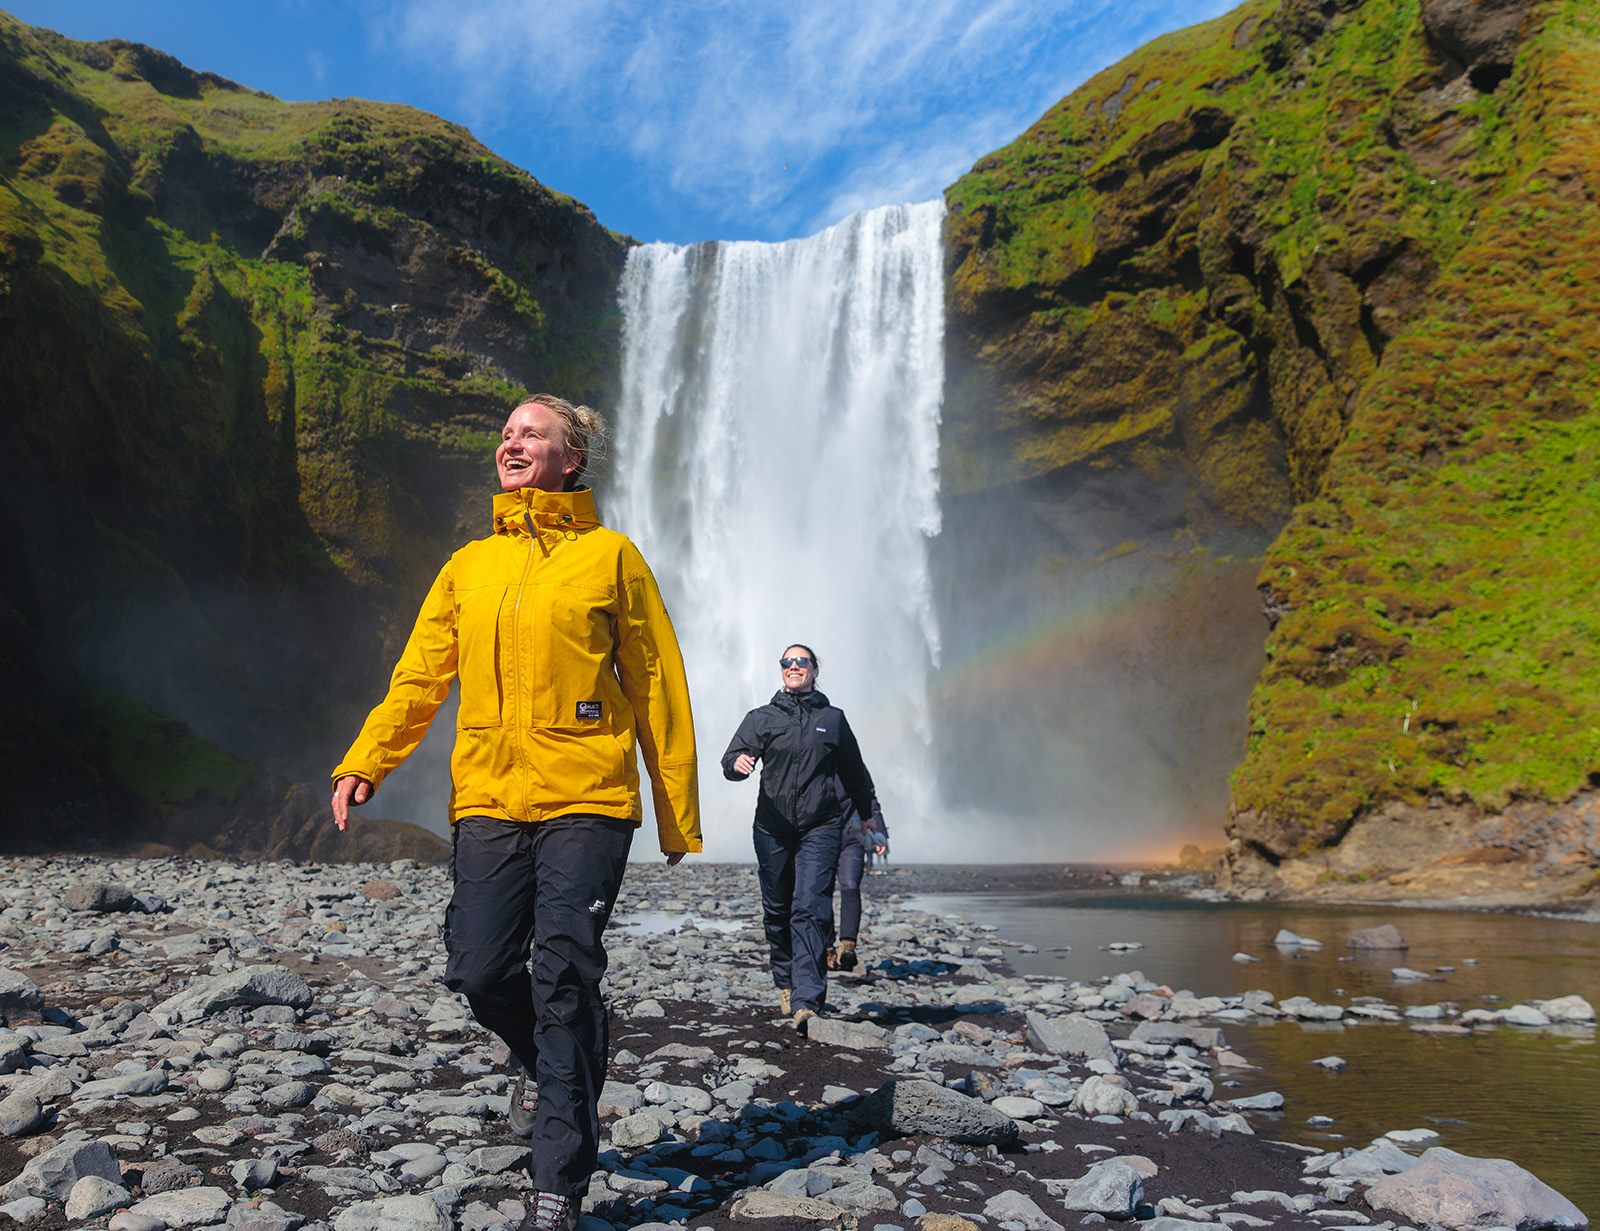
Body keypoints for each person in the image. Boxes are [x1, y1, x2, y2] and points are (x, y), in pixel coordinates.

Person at [329, 395, 700, 1231]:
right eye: (505, 433)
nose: (511, 441)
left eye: (531, 432)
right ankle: (553, 1061)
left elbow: (656, 683)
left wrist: (675, 810)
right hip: (490, 795)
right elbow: (419, 679)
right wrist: (366, 762)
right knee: (479, 969)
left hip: (589, 796)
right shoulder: (470, 565)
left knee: (563, 975)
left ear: (572, 459)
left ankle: (556, 1186)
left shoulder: (613, 559)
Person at [721, 644, 874, 1031]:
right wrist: (737, 765)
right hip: (771, 829)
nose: (793, 667)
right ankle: (786, 980)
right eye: (787, 662)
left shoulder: (833, 719)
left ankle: (808, 999)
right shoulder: (763, 718)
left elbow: (855, 773)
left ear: (815, 670)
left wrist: (869, 816)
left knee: (810, 907)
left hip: (820, 828)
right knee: (777, 909)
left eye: (801, 662)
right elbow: (732, 758)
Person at [825, 782, 888, 972]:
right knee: (820, 891)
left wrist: (880, 831)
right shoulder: (812, 759)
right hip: (818, 837)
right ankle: (827, 949)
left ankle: (847, 946)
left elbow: (868, 796)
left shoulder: (850, 759)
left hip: (852, 837)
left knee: (851, 886)